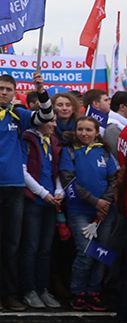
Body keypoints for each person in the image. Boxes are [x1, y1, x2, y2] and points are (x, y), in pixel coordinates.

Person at [0, 72, 53, 311]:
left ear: (15, 93)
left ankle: (11, 294)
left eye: (9, 89)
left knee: (13, 242)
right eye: (1, 88)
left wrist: (41, 90)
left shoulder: (20, 114)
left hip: (15, 186)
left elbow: (47, 115)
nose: (4, 93)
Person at [59, 115, 117, 311]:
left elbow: (114, 180)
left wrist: (105, 203)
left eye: (88, 130)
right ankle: (78, 291)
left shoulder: (105, 153)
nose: (84, 133)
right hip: (80, 212)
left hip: (105, 212)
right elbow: (69, 182)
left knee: (102, 252)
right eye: (80, 129)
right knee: (85, 252)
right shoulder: (70, 152)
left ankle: (94, 291)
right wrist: (96, 201)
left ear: (96, 132)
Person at [19, 118, 63, 309]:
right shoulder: (27, 139)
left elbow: (58, 170)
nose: (54, 125)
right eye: (50, 121)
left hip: (51, 203)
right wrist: (43, 193)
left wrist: (59, 191)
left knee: (45, 249)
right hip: (34, 201)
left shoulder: (53, 141)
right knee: (31, 247)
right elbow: (23, 172)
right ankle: (29, 290)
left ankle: (43, 288)